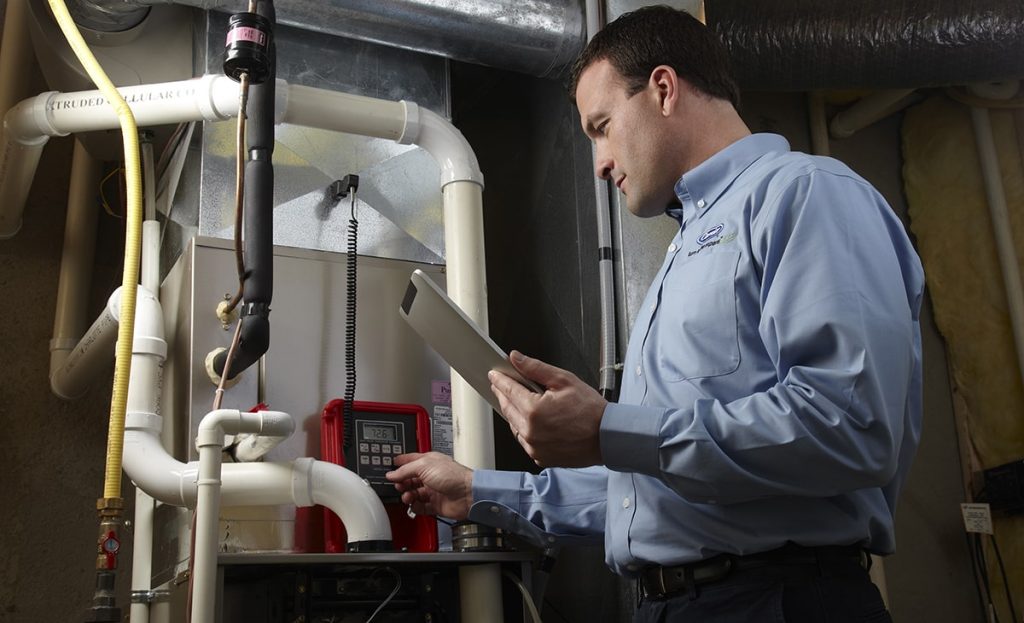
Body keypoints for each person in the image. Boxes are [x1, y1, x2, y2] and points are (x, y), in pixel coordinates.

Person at [386, 5, 924, 622]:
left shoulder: (805, 193)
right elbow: (653, 494)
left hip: (779, 601)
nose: (599, 163)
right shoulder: (684, 252)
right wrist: (479, 491)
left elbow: (849, 426)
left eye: (603, 126)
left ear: (663, 90)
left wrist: (610, 431)